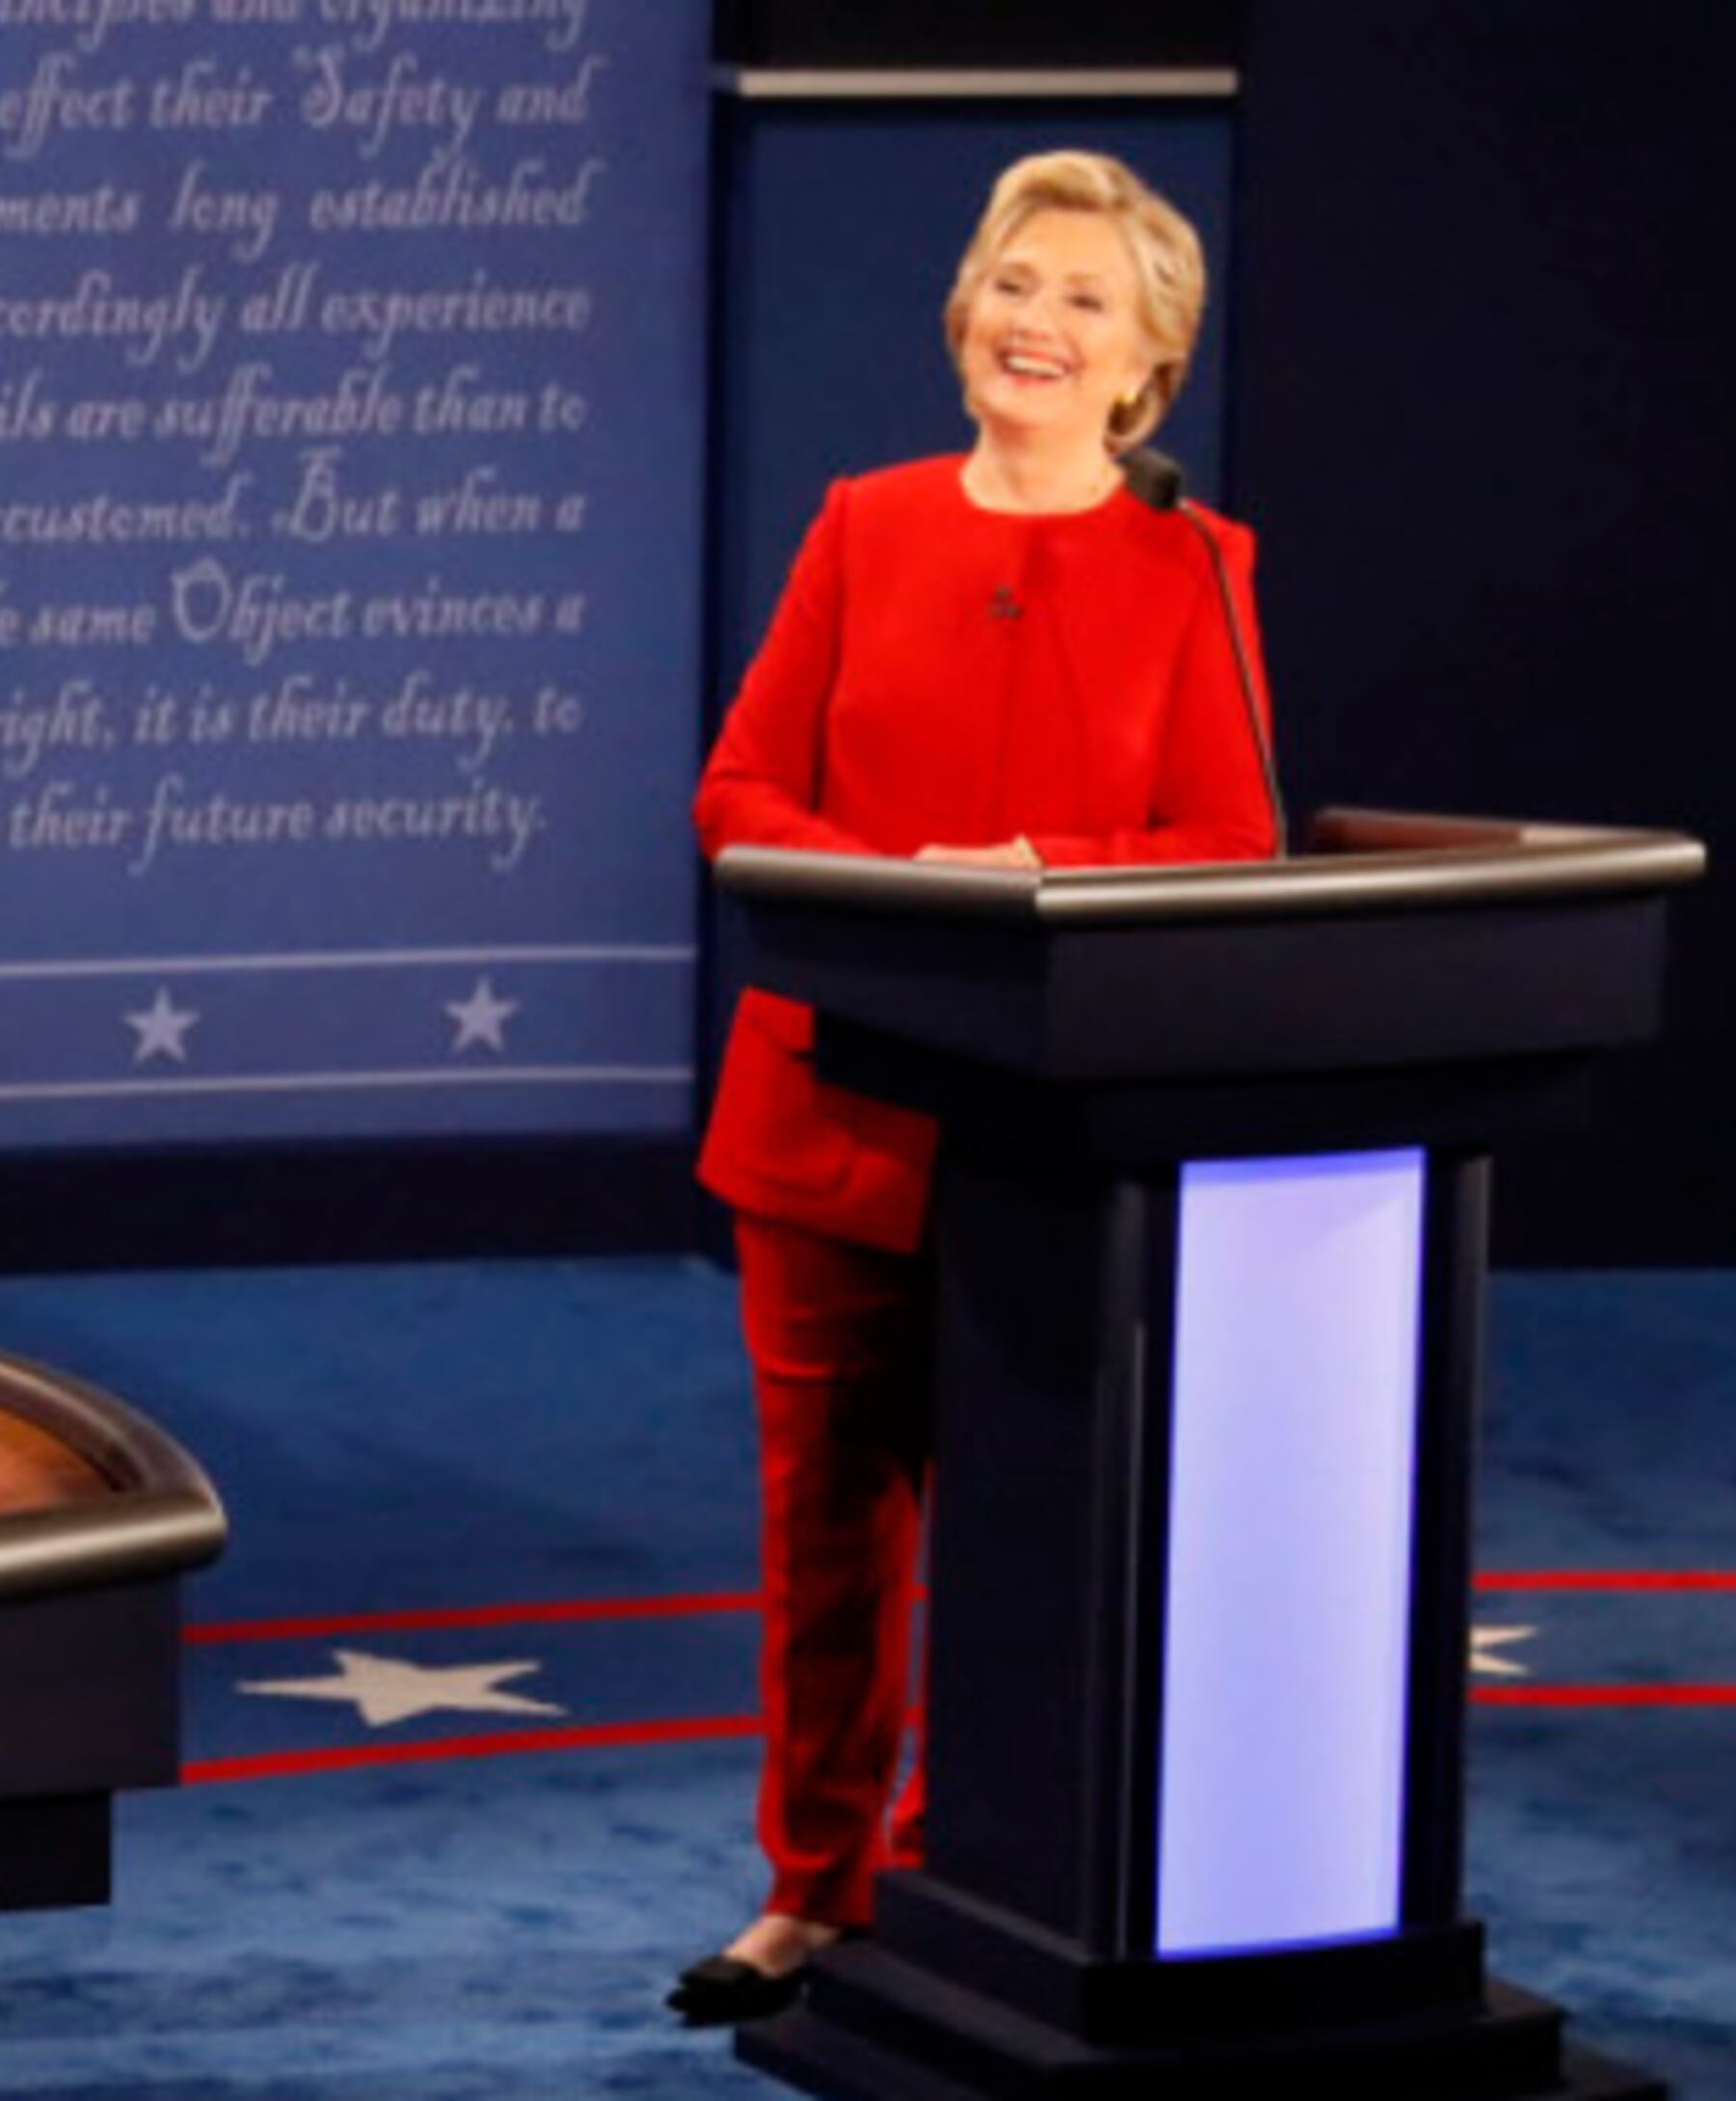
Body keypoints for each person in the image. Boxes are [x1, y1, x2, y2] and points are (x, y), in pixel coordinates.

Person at [670, 150, 1279, 2027]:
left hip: (1052, 1142)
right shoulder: (864, 526)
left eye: (1085, 299)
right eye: (1015, 283)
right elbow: (739, 794)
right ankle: (813, 1885)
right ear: (962, 317)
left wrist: (1040, 865)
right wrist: (888, 888)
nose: (1037, 320)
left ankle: (979, 1870)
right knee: (829, 1533)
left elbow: (1231, 840)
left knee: (1028, 1530)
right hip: (830, 1110)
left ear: (1146, 365)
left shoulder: (1196, 563)